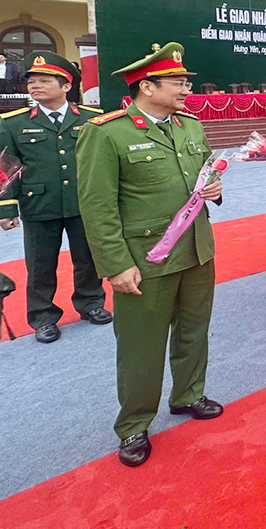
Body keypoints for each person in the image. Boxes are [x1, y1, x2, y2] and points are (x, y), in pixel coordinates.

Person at [77, 42, 225, 468]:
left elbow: (204, 175)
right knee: (141, 345)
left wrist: (215, 191)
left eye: (184, 81)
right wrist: (116, 266)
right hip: (145, 260)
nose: (185, 88)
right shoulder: (107, 132)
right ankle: (135, 424)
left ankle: (188, 394)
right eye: (178, 82)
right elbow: (97, 207)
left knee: (194, 332)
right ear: (147, 86)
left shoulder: (190, 126)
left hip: (197, 250)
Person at [0, 51, 109, 343]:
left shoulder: (93, 119)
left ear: (66, 86)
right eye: (32, 81)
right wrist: (5, 208)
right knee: (41, 264)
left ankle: (91, 303)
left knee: (89, 258)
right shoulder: (13, 123)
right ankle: (43, 316)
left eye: (44, 80)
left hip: (85, 202)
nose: (35, 86)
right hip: (38, 204)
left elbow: (105, 161)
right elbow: (5, 168)